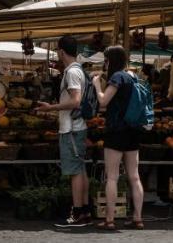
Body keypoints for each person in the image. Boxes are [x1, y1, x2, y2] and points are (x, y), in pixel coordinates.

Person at [35, 35, 90, 229]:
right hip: (77, 127)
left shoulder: (72, 72)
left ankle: (76, 213)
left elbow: (75, 101)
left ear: (61, 51)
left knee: (75, 171)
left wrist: (50, 108)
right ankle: (84, 210)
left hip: (72, 129)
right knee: (80, 169)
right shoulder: (77, 70)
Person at [94, 46, 145, 231]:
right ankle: (138, 218)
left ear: (111, 60)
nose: (104, 63)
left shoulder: (116, 77)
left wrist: (97, 85)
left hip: (116, 131)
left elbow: (103, 101)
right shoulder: (133, 76)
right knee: (134, 176)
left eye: (106, 60)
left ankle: (109, 219)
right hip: (133, 130)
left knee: (113, 177)